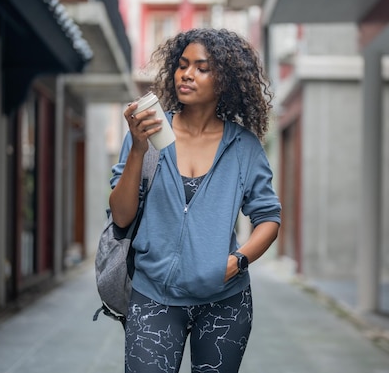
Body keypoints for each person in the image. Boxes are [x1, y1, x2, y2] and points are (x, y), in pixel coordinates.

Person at [109, 28, 282, 373]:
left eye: (202, 68)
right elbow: (122, 216)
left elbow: (269, 218)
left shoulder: (243, 147)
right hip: (154, 294)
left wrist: (237, 262)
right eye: (182, 65)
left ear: (226, 81)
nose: (186, 74)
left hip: (224, 302)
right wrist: (138, 150)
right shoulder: (150, 135)